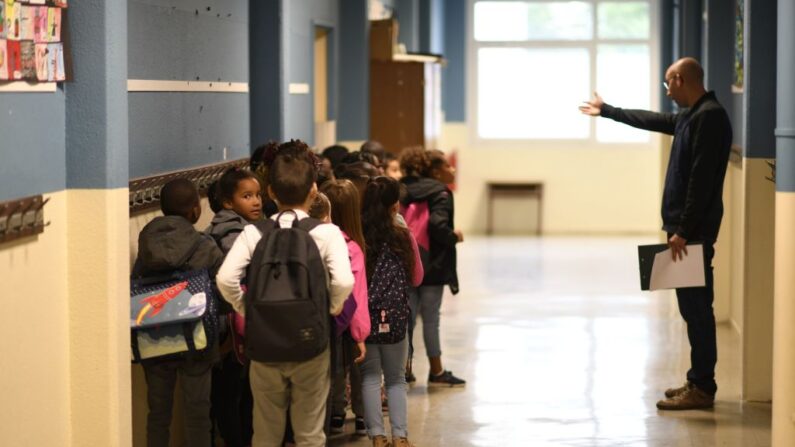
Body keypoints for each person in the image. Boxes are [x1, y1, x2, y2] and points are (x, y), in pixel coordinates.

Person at [579, 57, 732, 410]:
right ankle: (697, 380)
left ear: (680, 79)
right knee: (691, 308)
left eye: (668, 83)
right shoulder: (693, 116)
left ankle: (703, 388)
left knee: (697, 309)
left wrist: (683, 230)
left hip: (691, 232)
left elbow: (701, 180)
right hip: (685, 230)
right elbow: (654, 120)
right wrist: (609, 111)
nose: (667, 91)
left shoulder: (709, 116)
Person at [216, 140, 354, 446]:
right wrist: (329, 308)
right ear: (313, 190)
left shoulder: (254, 232)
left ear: (271, 193)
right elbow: (344, 281)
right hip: (311, 343)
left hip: (264, 343)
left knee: (265, 431)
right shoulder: (327, 233)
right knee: (309, 433)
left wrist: (247, 309)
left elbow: (226, 278)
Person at [131, 178, 224, 447]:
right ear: (195, 209)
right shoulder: (204, 246)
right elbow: (222, 291)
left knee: (158, 415)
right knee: (198, 415)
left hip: (155, 339)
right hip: (198, 339)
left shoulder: (147, 244)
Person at [360, 176, 424, 447]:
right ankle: (400, 437)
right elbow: (417, 277)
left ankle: (376, 436)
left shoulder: (356, 235)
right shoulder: (403, 235)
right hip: (396, 316)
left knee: (370, 376)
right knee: (396, 378)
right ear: (394, 206)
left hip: (365, 317)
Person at [399, 147, 466, 387]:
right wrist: (453, 236)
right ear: (437, 171)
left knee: (406, 319)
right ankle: (436, 372)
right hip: (432, 264)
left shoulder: (403, 188)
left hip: (406, 260)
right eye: (447, 166)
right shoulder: (441, 192)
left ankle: (404, 370)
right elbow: (437, 226)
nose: (452, 169)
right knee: (430, 320)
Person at [206, 168, 262, 447]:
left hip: (230, 323)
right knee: (233, 390)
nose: (256, 202)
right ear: (228, 202)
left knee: (235, 391)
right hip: (230, 325)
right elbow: (237, 273)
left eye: (257, 195)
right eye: (247, 196)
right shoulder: (233, 231)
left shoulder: (237, 227)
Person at [318, 180, 371, 436]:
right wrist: (360, 335)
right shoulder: (352, 247)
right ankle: (361, 416)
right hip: (347, 320)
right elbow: (357, 295)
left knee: (333, 371)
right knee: (358, 366)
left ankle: (336, 415)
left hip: (321, 319)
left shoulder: (314, 239)